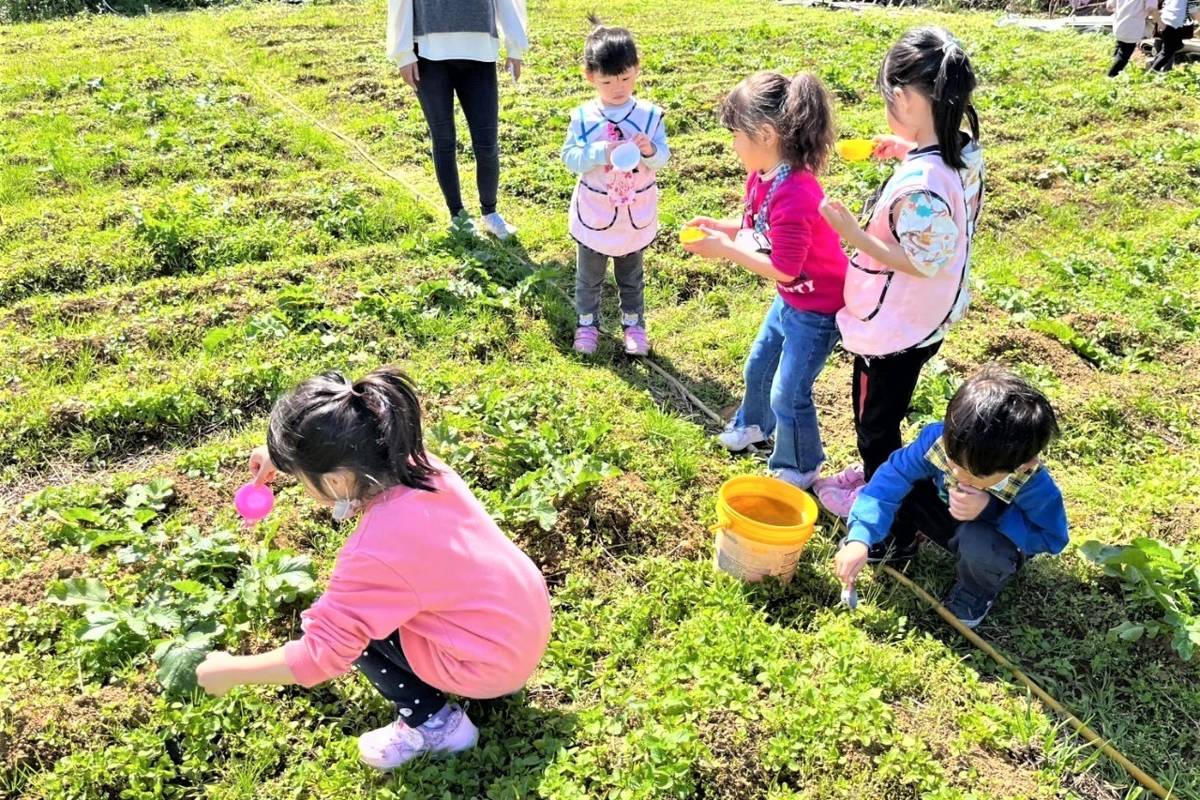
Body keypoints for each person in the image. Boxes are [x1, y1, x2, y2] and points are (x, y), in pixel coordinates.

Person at [195, 367, 552, 770]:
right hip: (520, 627)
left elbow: (321, 655)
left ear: (337, 481)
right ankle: (484, 681)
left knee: (354, 630)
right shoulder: (422, 467)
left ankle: (436, 726)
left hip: (488, 666)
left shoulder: (374, 554)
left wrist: (230, 671)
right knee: (376, 609)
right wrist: (283, 457)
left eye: (303, 478)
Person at [815, 27, 985, 516]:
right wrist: (906, 147)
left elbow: (924, 261)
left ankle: (883, 500)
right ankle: (878, 473)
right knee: (886, 410)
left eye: (890, 98)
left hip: (896, 328)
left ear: (910, 99)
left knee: (874, 420)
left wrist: (855, 235)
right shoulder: (961, 149)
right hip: (932, 318)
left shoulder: (919, 188)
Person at [683, 71, 847, 489]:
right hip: (791, 297)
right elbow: (758, 229)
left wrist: (724, 249)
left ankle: (800, 466)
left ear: (766, 134)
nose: (733, 145)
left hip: (817, 307)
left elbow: (785, 267)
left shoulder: (798, 194)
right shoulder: (761, 177)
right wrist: (722, 228)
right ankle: (754, 425)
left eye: (736, 134)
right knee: (758, 366)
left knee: (789, 392)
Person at [833, 365, 1068, 629]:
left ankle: (976, 590)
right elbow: (893, 477)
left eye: (973, 474)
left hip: (989, 538)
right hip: (945, 516)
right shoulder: (941, 441)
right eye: (954, 461)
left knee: (979, 543)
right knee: (905, 483)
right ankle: (897, 540)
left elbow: (1052, 538)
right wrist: (861, 535)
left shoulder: (1032, 484)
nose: (956, 472)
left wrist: (991, 511)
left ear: (1025, 464)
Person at [562, 16, 669, 357]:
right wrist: (596, 152)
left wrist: (649, 150)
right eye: (608, 81)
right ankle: (587, 325)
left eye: (625, 77)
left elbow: (662, 158)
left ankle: (634, 325)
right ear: (590, 76)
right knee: (589, 276)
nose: (618, 87)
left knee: (631, 275)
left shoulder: (650, 115)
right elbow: (569, 158)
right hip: (596, 210)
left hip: (633, 212)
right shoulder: (583, 117)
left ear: (637, 69)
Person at [387, 0, 528, 238]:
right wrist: (403, 54)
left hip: (480, 51)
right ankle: (458, 216)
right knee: (443, 139)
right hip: (428, 54)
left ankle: (490, 212)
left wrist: (515, 47)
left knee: (487, 143)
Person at [1108, 0, 1158, 76]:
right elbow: (1151, 9)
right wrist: (1160, 22)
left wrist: (1122, 12)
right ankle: (1112, 75)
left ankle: (1113, 62)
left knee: (1120, 45)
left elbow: (1109, 6)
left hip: (1119, 25)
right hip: (1132, 29)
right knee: (1123, 55)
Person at [1150, 0, 1194, 72]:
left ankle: (1156, 66)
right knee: (1167, 51)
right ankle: (1153, 71)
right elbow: (1195, 12)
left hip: (1169, 22)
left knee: (1173, 47)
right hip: (1171, 22)